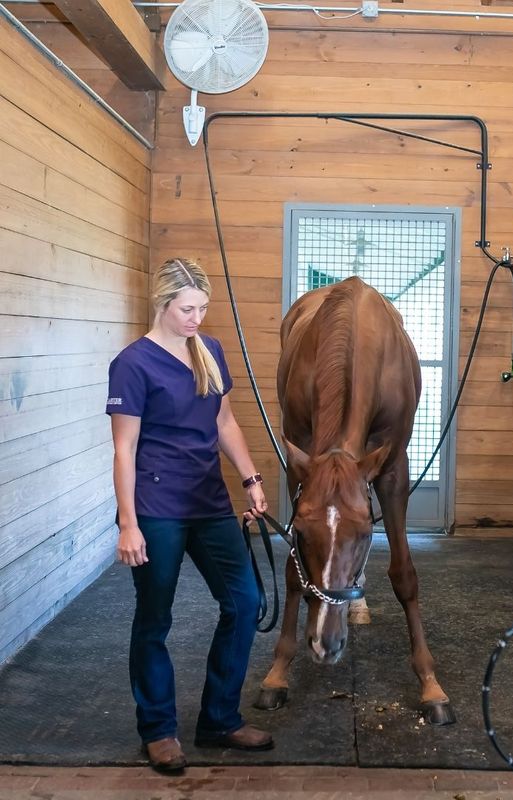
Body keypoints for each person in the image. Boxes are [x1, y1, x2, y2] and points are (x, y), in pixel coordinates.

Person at [106, 257, 273, 774]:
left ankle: (219, 719)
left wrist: (250, 478)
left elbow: (224, 421)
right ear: (162, 304)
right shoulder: (132, 364)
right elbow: (123, 449)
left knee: (245, 603)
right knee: (155, 618)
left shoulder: (210, 350)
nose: (196, 317)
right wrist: (129, 523)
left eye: (202, 308)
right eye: (187, 309)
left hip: (208, 503)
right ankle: (157, 730)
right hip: (157, 509)